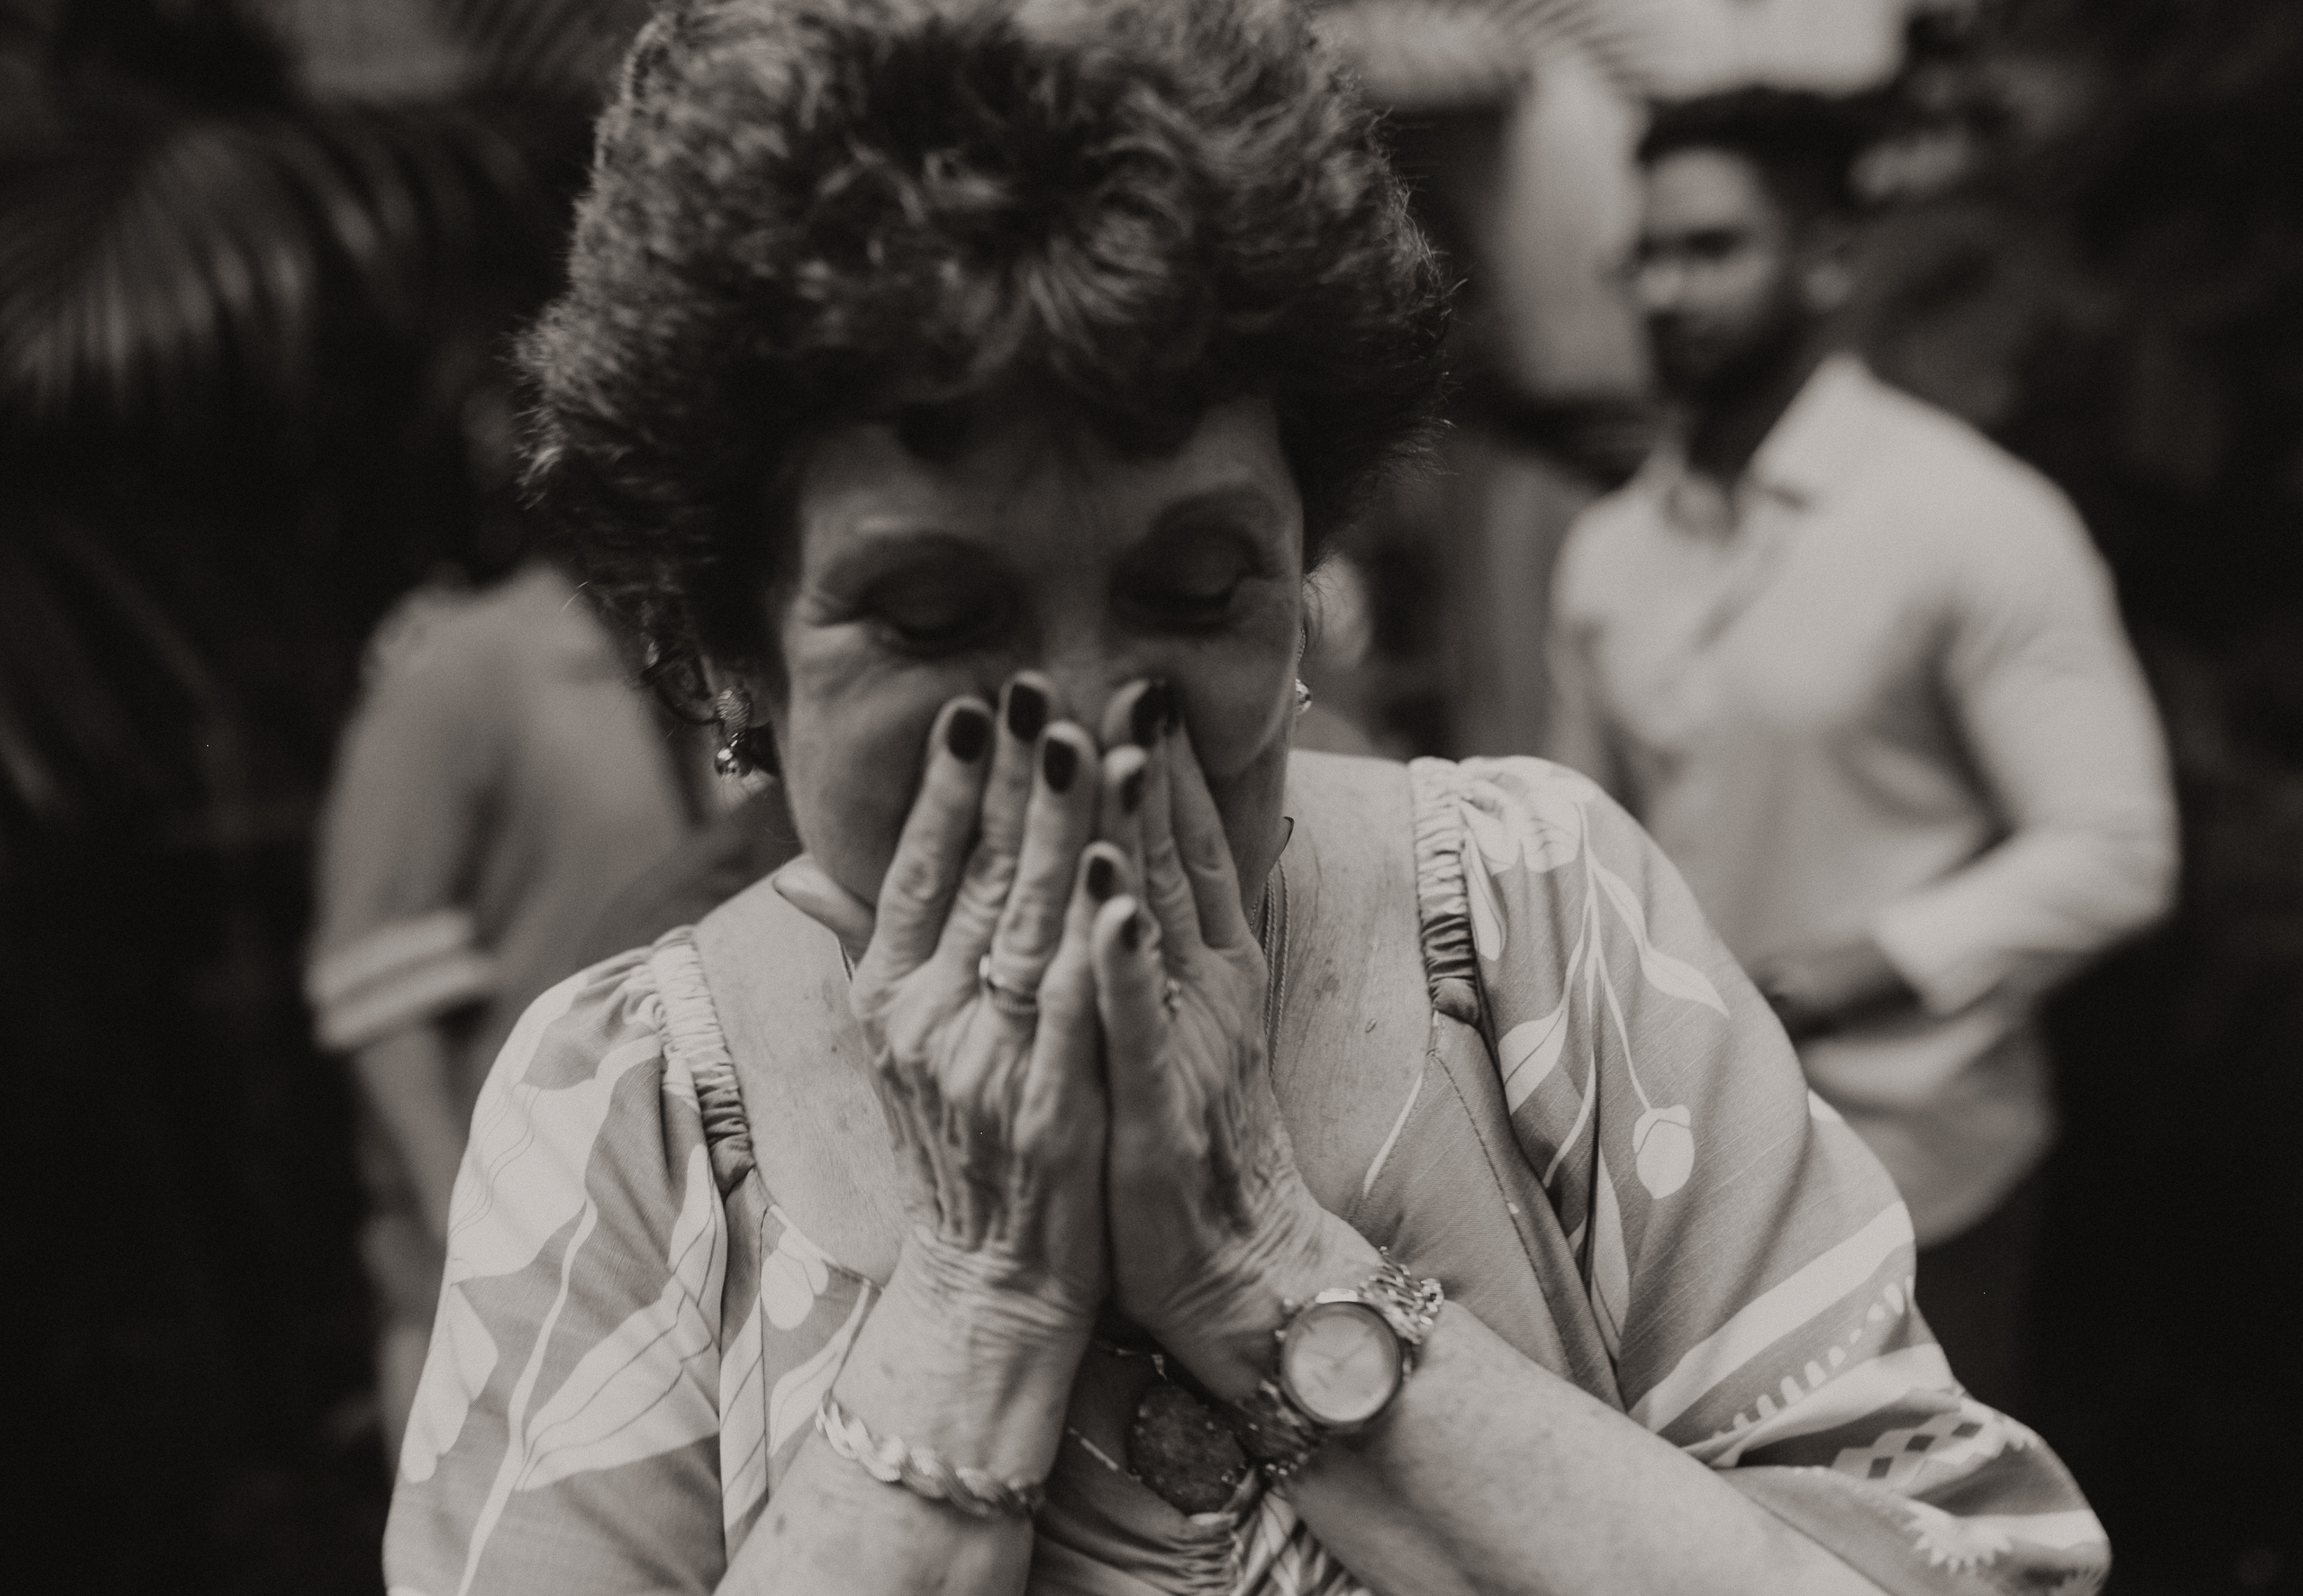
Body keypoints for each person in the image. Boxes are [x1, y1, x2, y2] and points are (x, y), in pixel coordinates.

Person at [386, 7, 2108, 1592]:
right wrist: (983, 1294)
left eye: (1196, 591)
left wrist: (1255, 1258)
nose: (1086, 716)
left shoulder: (1541, 927)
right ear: (730, 653)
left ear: (1304, 583)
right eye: (936, 616)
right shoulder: (624, 1113)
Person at [1545, 89, 2178, 1416]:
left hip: (1924, 1175)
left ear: (1828, 258)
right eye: (1645, 256)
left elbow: (2116, 848)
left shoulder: (1970, 515)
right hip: (1683, 1182)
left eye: (1712, 249)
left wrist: (1839, 978)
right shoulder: (1605, 553)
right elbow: (1574, 846)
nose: (1665, 291)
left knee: (1924, 1520)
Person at [307, 552, 720, 1463]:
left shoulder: (718, 648)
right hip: (519, 1274)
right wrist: (479, 1245)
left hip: (685, 1257)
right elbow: (372, 985)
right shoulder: (466, 664)